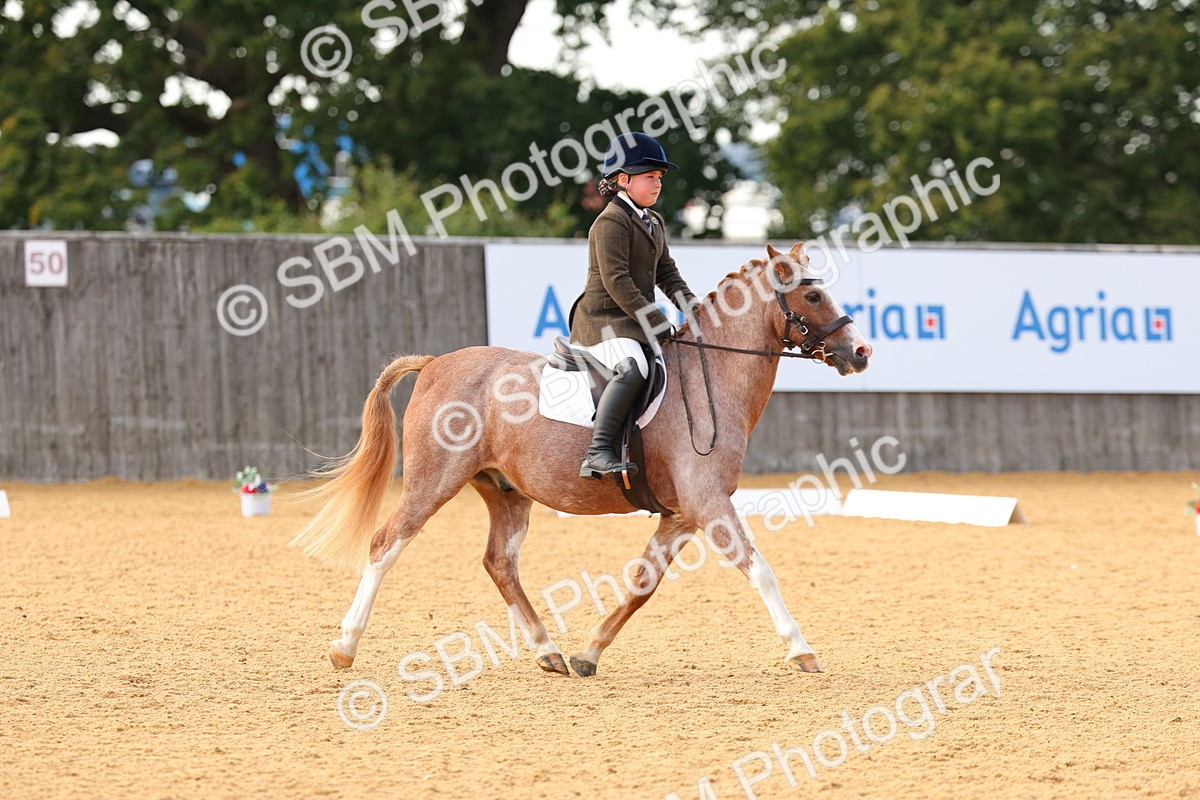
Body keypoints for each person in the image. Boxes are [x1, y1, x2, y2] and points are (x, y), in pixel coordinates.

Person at [570, 132, 698, 480]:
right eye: (649, 176)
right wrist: (655, 318)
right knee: (633, 368)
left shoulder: (653, 221)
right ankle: (597, 452)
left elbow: (667, 273)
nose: (657, 184)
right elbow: (617, 281)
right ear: (623, 180)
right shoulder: (610, 221)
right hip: (603, 321)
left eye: (659, 177)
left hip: (631, 321)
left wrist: (694, 308)